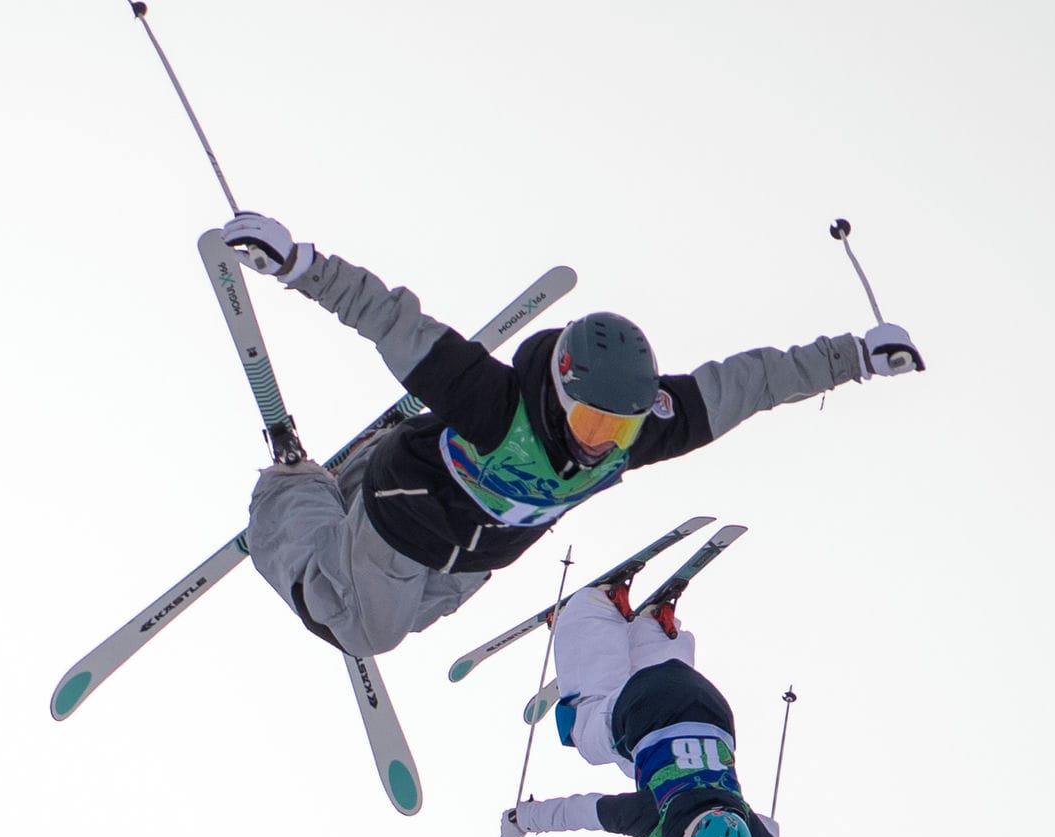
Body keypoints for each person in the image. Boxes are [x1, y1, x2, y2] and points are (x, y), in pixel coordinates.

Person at [214, 211, 922, 670]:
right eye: (592, 425)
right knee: (365, 632)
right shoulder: (489, 399)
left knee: (423, 612)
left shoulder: (638, 433)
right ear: (559, 392)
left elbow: (749, 383)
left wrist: (854, 357)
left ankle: (354, 494)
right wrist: (298, 263)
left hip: (476, 555)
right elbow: (388, 317)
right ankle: (291, 491)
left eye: (620, 430)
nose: (601, 445)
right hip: (405, 518)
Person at [494, 579, 786, 837]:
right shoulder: (652, 817)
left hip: (705, 702)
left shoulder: (742, 818)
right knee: (587, 731)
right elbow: (580, 812)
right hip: (647, 704)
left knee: (638, 761)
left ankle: (655, 631)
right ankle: (591, 612)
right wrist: (522, 819)